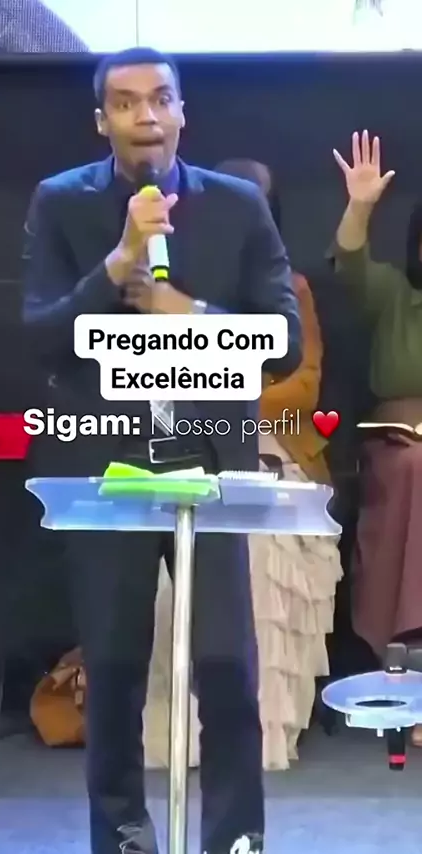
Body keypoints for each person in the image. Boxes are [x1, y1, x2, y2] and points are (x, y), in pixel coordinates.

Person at [22, 47, 301, 854]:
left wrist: (194, 314)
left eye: (160, 99)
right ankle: (121, 835)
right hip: (105, 462)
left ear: (182, 113)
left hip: (209, 461)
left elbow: (283, 340)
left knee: (226, 665)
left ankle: (235, 837)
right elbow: (41, 336)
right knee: (111, 667)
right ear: (101, 120)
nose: (145, 114)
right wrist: (115, 266)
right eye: (125, 102)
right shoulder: (61, 203)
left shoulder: (237, 206)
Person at [213, 160, 342, 768]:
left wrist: (220, 390)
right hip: (193, 451)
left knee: (259, 549)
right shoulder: (170, 291)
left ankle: (260, 731)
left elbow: (304, 388)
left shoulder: (292, 288)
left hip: (277, 450)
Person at [333, 130, 422, 746]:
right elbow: (350, 263)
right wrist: (359, 207)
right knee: (416, 467)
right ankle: (412, 670)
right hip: (399, 443)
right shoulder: (395, 295)